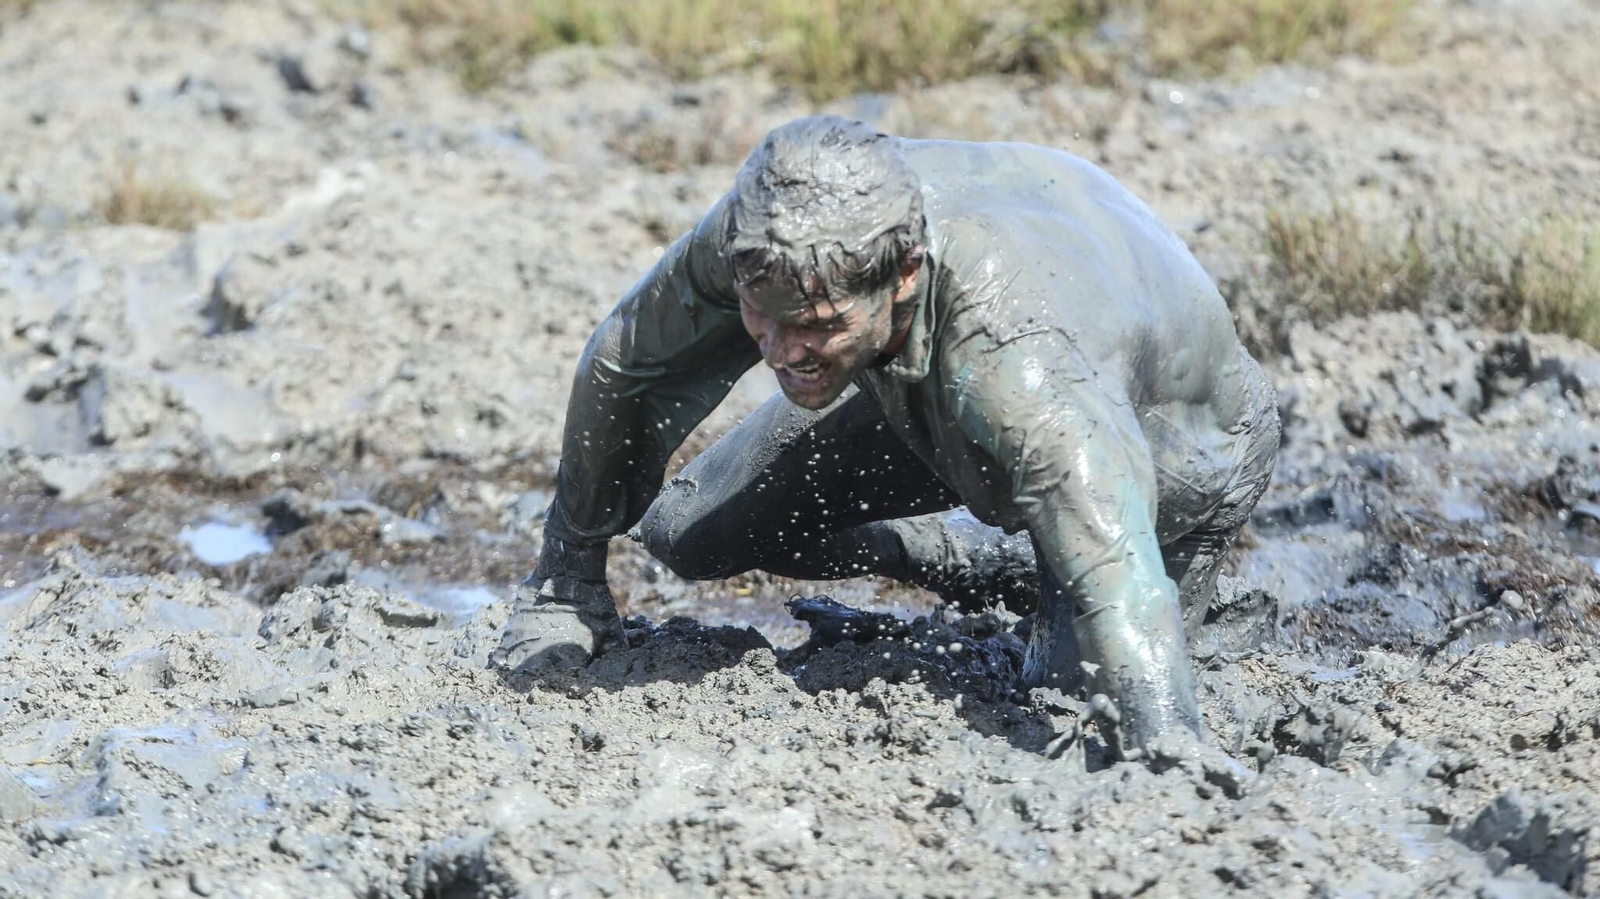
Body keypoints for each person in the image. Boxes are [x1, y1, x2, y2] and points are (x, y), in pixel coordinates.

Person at [491, 116, 1279, 759]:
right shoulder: (770, 233)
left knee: (1072, 701)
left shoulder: (1015, 359)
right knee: (686, 529)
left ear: (904, 272)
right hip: (923, 379)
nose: (781, 353)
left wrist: (1167, 743)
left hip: (1175, 447)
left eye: (816, 326)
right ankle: (955, 555)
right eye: (761, 318)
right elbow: (627, 362)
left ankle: (1045, 558)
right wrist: (566, 579)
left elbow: (1119, 578)